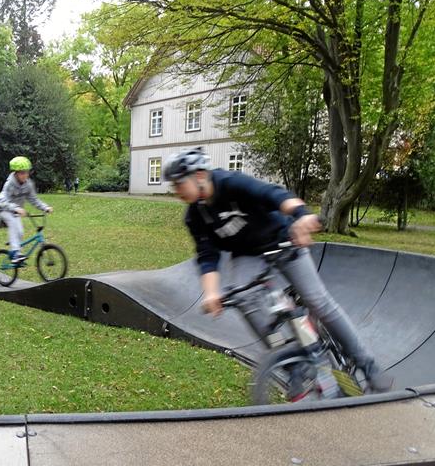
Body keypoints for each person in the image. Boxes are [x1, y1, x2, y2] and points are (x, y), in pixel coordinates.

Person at [163, 147, 392, 394]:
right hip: (248, 255)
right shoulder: (195, 216)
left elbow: (271, 194)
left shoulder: (230, 183)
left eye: (178, 184)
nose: (176, 191)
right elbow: (207, 256)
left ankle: (368, 366)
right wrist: (210, 294)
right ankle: (293, 367)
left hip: (283, 241)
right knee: (243, 297)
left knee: (317, 301)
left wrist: (301, 215)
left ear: (198, 176)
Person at [0, 156, 53, 264]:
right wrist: (16, 208)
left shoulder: (28, 184)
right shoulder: (9, 184)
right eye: (22, 173)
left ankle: (17, 254)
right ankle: (15, 253)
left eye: (27, 172)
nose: (25, 175)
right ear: (16, 173)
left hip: (15, 210)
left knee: (20, 232)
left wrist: (45, 207)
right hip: (2, 208)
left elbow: (33, 199)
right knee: (13, 224)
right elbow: (4, 201)